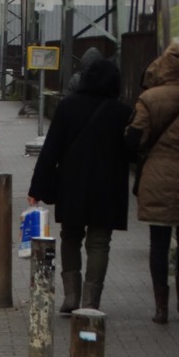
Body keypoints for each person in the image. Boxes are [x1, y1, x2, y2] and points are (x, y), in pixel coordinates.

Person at [27, 57, 132, 314]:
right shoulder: (123, 112)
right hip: (108, 186)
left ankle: (71, 296)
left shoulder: (67, 107)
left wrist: (37, 189)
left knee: (71, 237)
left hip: (72, 184)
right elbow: (131, 152)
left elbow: (51, 150)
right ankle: (91, 301)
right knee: (99, 242)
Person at [124, 42, 179, 325]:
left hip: (159, 177)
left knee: (158, 244)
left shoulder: (151, 98)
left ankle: (161, 308)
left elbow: (134, 141)